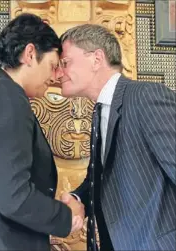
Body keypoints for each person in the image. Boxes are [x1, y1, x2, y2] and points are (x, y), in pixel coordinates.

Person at [0, 13, 84, 251]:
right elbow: (13, 197)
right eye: (53, 66)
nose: (56, 77)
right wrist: (66, 216)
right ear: (30, 54)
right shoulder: (5, 95)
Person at [59, 24, 176, 251]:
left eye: (66, 62)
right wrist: (77, 198)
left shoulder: (146, 96)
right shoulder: (99, 111)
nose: (59, 72)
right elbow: (102, 177)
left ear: (96, 59)